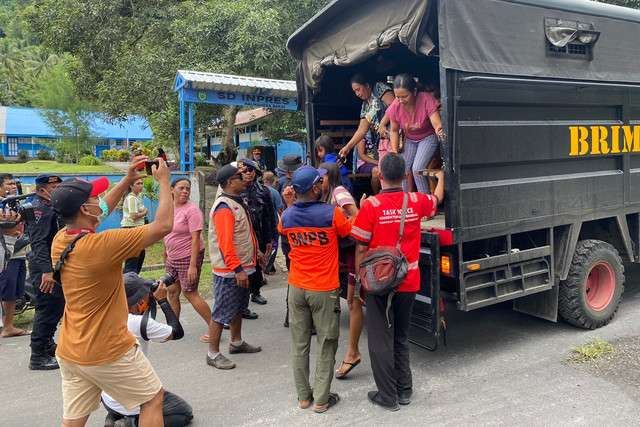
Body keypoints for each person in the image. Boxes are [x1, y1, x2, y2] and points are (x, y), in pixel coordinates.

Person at [49, 156, 173, 426]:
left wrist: (127, 180)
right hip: (107, 350)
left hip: (71, 349)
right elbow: (163, 226)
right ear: (84, 208)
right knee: (152, 399)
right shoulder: (104, 244)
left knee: (73, 420)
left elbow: (100, 210)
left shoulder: (61, 240)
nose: (100, 200)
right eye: (94, 198)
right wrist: (165, 182)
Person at [350, 153, 444, 411]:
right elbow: (437, 200)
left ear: (380, 176)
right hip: (409, 280)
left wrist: (360, 280)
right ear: (405, 177)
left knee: (380, 339)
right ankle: (404, 389)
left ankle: (387, 397)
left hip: (379, 283)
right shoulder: (415, 200)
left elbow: (360, 248)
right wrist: (441, 177)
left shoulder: (371, 206)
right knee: (401, 336)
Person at [279, 165, 352, 413]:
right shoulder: (331, 214)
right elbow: (349, 232)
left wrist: (289, 204)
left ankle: (303, 397)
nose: (323, 185)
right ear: (314, 188)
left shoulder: (287, 217)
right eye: (320, 182)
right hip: (324, 288)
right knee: (326, 343)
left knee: (299, 345)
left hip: (296, 287)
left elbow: (285, 233)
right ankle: (321, 398)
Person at [101, 272, 193, 427]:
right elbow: (177, 332)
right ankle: (129, 422)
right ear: (135, 302)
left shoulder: (104, 315)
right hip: (134, 397)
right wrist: (162, 301)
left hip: (108, 397)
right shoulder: (136, 323)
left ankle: (112, 417)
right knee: (183, 412)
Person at [206, 164, 264, 370]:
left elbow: (243, 234)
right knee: (221, 313)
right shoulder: (224, 207)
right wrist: (237, 269)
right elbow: (225, 243)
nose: (245, 178)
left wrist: (256, 253)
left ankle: (236, 342)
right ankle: (212, 353)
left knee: (239, 307)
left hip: (242, 267)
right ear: (230, 182)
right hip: (230, 271)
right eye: (240, 177)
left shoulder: (236, 202)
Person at [317, 162, 362, 379]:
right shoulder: (327, 194)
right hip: (343, 255)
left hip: (352, 253)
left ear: (330, 177)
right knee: (353, 300)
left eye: (321, 178)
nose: (319, 182)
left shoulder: (339, 192)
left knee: (353, 302)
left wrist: (342, 226)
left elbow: (358, 217)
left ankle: (353, 352)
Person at [163, 177, 211, 342]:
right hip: (172, 257)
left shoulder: (192, 211)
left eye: (187, 189)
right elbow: (165, 232)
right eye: (181, 188)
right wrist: (166, 255)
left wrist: (193, 266)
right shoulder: (168, 208)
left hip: (188, 257)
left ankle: (214, 328)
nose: (185, 191)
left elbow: (196, 239)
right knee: (172, 292)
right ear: (172, 190)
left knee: (190, 293)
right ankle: (174, 328)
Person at [26, 173, 64, 370]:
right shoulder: (39, 209)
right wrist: (46, 272)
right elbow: (39, 243)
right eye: (54, 188)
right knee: (47, 308)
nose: (58, 190)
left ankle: (47, 344)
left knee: (56, 307)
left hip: (52, 265)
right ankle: (38, 355)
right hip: (44, 267)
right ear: (42, 191)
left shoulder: (50, 206)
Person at [386, 73, 444, 194]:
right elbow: (394, 130)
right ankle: (404, 204)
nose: (401, 100)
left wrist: (440, 131)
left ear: (414, 91)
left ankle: (425, 205)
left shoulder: (426, 99)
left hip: (428, 138)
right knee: (402, 170)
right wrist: (395, 153)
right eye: (397, 97)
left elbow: (437, 124)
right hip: (410, 140)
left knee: (418, 169)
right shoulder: (395, 106)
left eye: (405, 96)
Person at [237, 158, 277, 308]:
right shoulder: (235, 191)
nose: (248, 174)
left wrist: (269, 238)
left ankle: (256, 292)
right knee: (245, 266)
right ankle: (242, 299)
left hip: (259, 233)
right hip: (242, 236)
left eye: (251, 170)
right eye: (244, 171)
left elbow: (269, 216)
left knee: (258, 265)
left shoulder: (263, 191)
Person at [338, 73, 395, 169]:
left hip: (394, 134)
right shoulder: (365, 106)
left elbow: (393, 104)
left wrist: (383, 123)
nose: (357, 94)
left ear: (367, 85)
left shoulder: (379, 88)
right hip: (382, 139)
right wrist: (348, 147)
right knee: (384, 172)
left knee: (395, 168)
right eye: (355, 91)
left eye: (358, 89)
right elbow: (361, 130)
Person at [0, 173, 31, 338]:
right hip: (6, 256)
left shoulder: (14, 204)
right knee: (6, 292)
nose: (13, 186)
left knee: (13, 293)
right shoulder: (1, 206)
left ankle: (9, 326)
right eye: (9, 184)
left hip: (19, 252)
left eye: (14, 183)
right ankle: (6, 327)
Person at [121, 178, 148, 274]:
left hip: (138, 229)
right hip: (131, 229)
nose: (141, 185)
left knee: (140, 255)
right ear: (131, 186)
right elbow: (133, 216)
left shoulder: (136, 198)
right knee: (133, 257)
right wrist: (144, 212)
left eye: (141, 183)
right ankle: (129, 280)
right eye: (138, 184)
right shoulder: (131, 198)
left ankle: (133, 278)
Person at [262, 171, 284, 276]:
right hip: (273, 223)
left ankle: (270, 266)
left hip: (261, 224)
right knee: (274, 245)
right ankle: (267, 266)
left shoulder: (258, 190)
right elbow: (280, 209)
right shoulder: (274, 192)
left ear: (263, 179)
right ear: (273, 181)